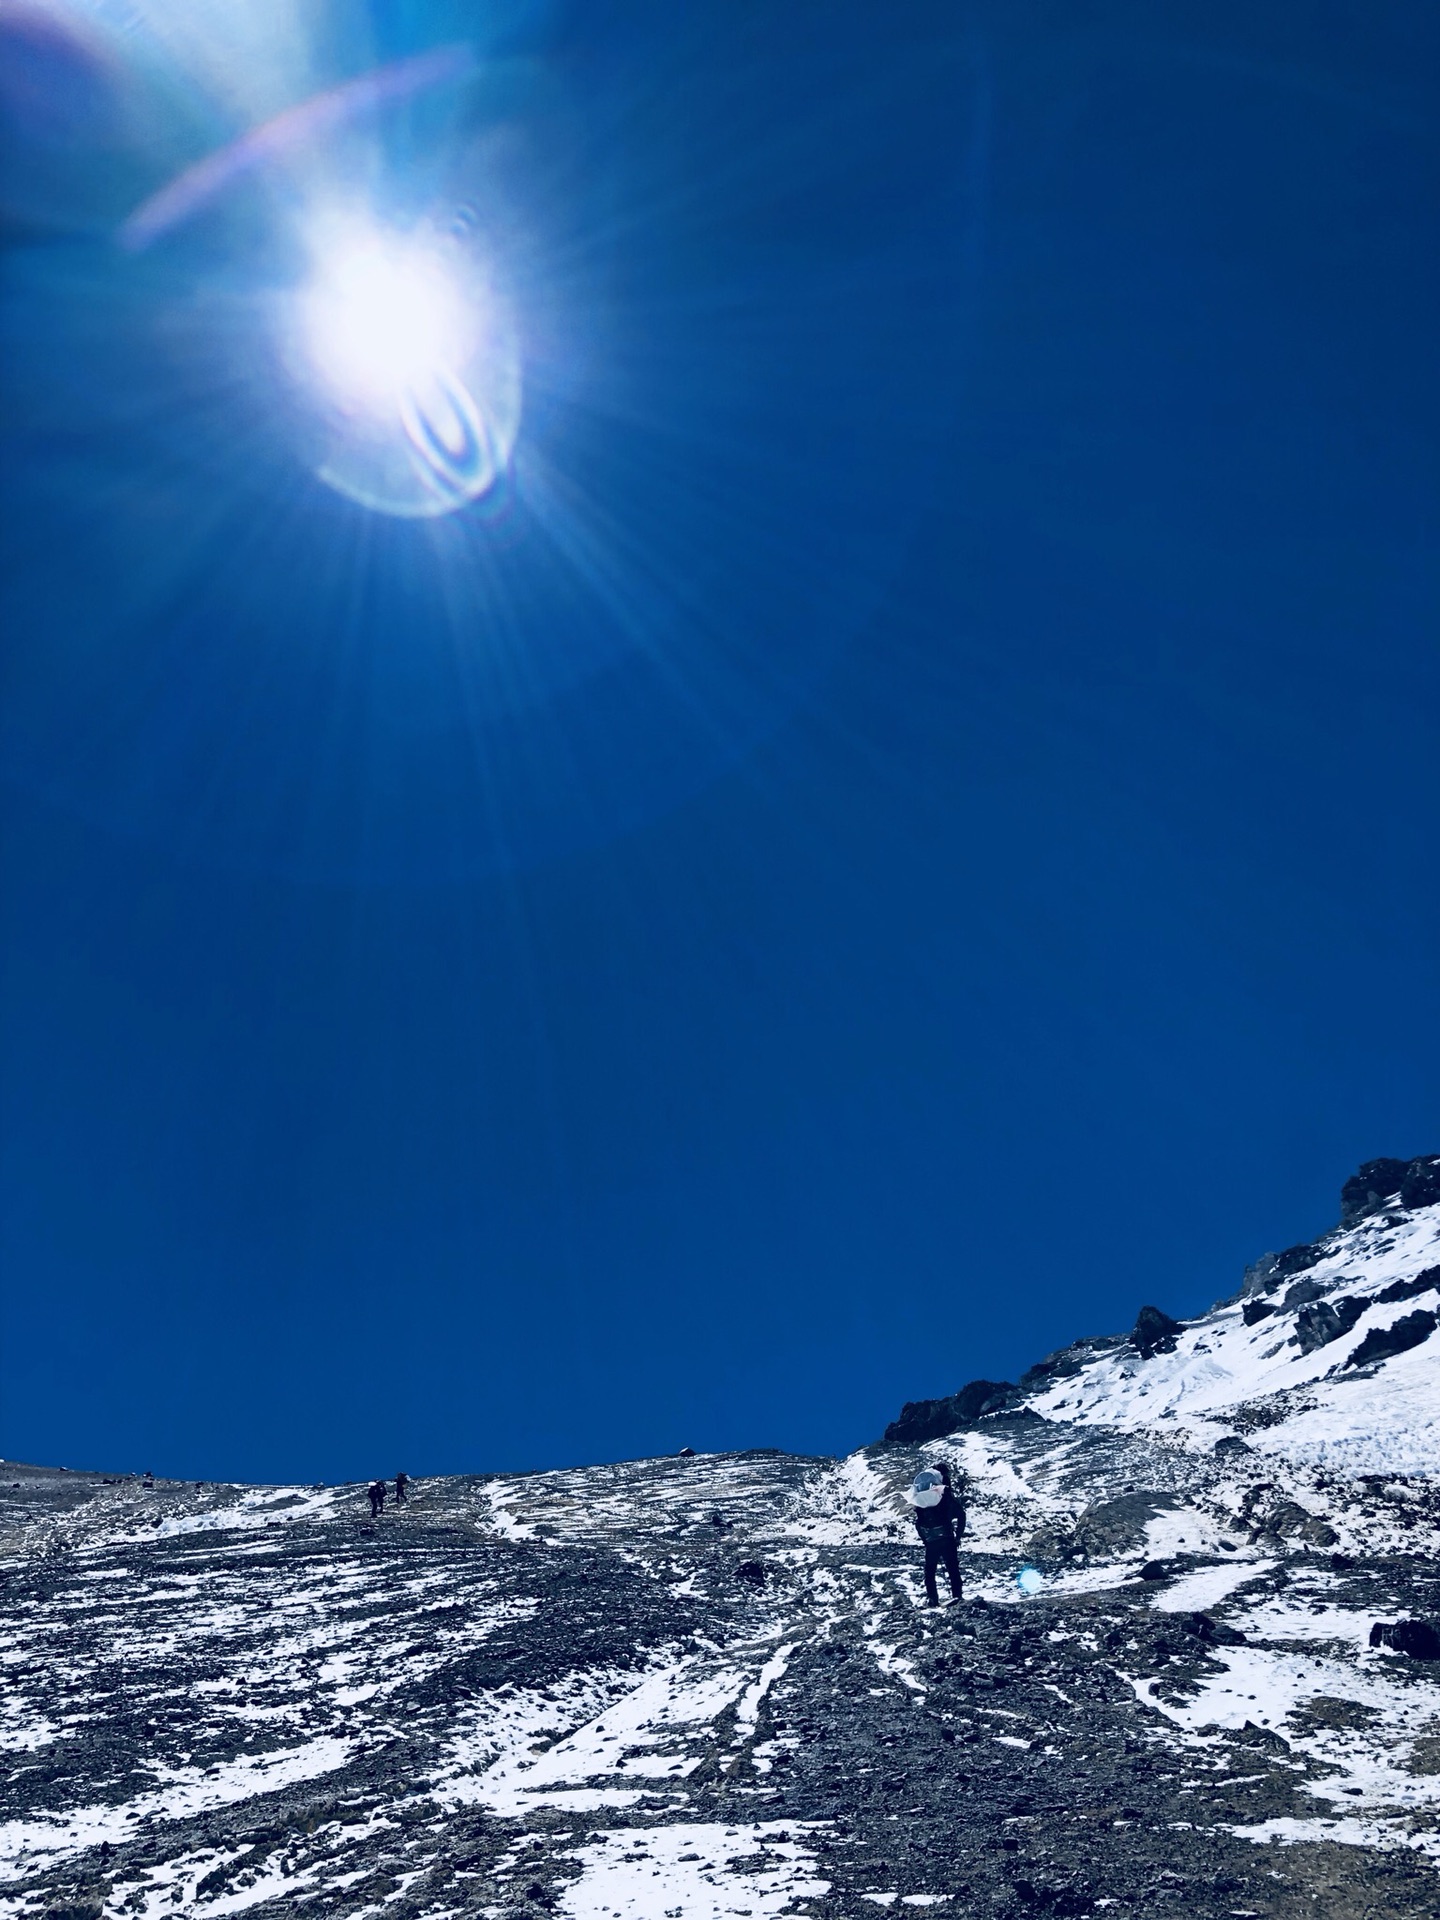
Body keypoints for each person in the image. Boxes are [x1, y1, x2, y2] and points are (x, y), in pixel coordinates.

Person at [907, 1462, 965, 1607]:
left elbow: (918, 1523)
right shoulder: (945, 1496)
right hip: (947, 1537)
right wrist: (958, 1536)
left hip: (931, 1540)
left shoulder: (922, 1498)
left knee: (930, 1570)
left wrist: (925, 1539)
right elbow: (961, 1515)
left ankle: (933, 1599)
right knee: (952, 1568)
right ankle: (957, 1596)